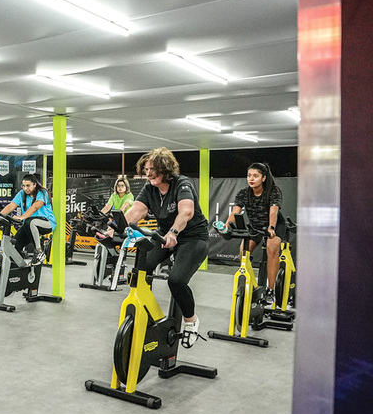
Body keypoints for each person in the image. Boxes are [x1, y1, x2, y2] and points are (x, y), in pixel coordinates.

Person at [108, 147, 209, 348]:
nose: (149, 173)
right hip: (164, 235)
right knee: (141, 270)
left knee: (176, 280)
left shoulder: (182, 184)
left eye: (153, 169)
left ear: (165, 169)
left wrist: (173, 232)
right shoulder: (149, 189)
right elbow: (136, 211)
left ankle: (191, 321)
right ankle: (147, 313)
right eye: (146, 169)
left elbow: (186, 212)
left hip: (193, 237)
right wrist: (112, 229)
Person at [226, 162, 285, 304]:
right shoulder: (243, 193)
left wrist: (271, 227)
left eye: (255, 176)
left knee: (271, 248)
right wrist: (226, 226)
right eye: (249, 175)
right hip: (255, 227)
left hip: (274, 226)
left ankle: (271, 290)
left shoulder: (273, 191)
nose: (251, 179)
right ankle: (252, 284)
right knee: (243, 251)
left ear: (263, 178)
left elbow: (273, 212)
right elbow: (235, 212)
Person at [0, 173, 56, 266]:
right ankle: (17, 268)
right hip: (28, 225)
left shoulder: (42, 193)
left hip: (47, 223)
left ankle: (39, 251)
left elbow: (35, 206)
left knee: (30, 222)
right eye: (24, 186)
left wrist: (22, 217)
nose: (25, 188)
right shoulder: (21, 194)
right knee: (15, 245)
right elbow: (11, 205)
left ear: (34, 184)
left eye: (28, 186)